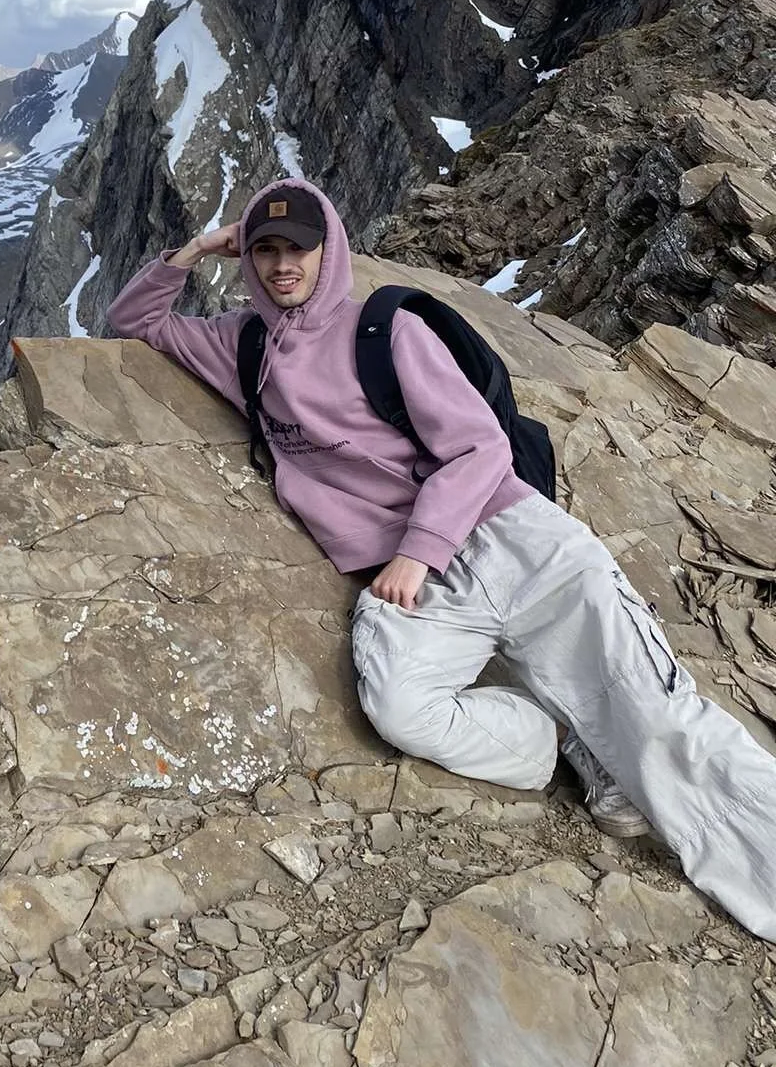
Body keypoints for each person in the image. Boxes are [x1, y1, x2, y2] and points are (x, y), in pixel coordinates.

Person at [105, 176, 776, 942]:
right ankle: (564, 739)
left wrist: (419, 553)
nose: (283, 265)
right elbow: (135, 319)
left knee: (657, 719)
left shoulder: (384, 332)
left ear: (331, 253)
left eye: (299, 248)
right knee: (399, 707)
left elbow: (479, 447)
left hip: (512, 542)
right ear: (247, 260)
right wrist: (195, 250)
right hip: (426, 583)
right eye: (265, 250)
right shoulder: (242, 345)